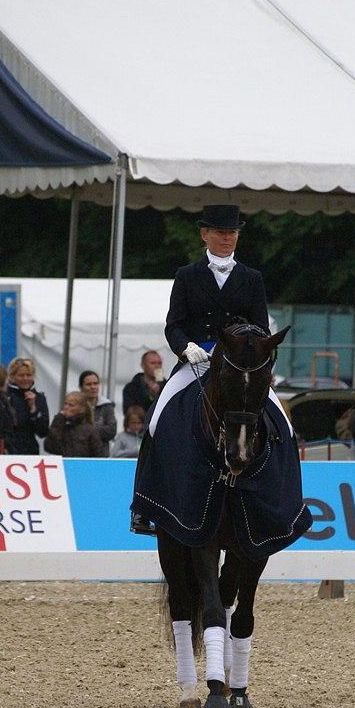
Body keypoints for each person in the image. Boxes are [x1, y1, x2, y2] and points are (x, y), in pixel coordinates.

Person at [131, 203, 270, 533]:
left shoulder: (251, 278)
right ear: (205, 234)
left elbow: (262, 328)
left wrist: (251, 353)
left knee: (282, 425)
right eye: (220, 232)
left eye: (232, 232)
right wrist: (186, 347)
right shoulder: (187, 275)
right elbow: (173, 325)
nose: (227, 238)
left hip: (238, 366)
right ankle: (144, 505)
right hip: (196, 361)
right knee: (155, 421)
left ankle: (286, 503)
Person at [6, 357, 49, 454]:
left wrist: (33, 409)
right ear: (12, 377)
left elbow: (43, 432)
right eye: (21, 375)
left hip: (30, 452)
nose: (25, 378)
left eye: (28, 375)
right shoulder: (4, 397)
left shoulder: (39, 398)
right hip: (8, 451)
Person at [45, 391, 104, 457]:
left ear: (82, 409)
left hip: (83, 466)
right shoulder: (60, 425)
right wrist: (58, 420)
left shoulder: (90, 430)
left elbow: (99, 456)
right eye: (65, 404)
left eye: (71, 405)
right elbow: (49, 447)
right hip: (63, 465)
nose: (66, 407)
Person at [78, 370, 117, 457]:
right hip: (79, 455)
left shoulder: (107, 405)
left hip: (101, 456)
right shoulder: (75, 406)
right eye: (89, 384)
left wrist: (88, 431)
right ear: (81, 387)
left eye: (95, 383)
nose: (93, 387)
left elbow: (111, 430)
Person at [122, 351, 167, 416]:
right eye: (153, 363)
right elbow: (130, 415)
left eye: (159, 363)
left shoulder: (168, 387)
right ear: (143, 365)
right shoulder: (131, 388)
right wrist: (150, 397)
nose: (157, 366)